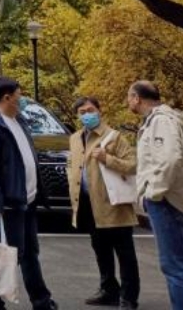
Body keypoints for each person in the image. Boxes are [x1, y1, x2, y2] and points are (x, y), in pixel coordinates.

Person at [0, 77, 57, 310]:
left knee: (30, 253)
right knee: (6, 255)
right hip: (10, 203)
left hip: (27, 200)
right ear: (7, 97)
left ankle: (41, 301)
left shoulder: (18, 120)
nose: (21, 100)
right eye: (18, 96)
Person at [127, 81, 183, 310]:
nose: (128, 102)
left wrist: (153, 192)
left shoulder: (160, 121)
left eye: (129, 97)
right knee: (181, 264)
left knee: (174, 266)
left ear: (137, 98)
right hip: (167, 199)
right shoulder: (157, 121)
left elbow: (170, 159)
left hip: (166, 201)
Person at [67, 96, 140, 308]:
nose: (87, 115)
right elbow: (72, 165)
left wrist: (107, 159)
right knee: (101, 250)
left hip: (115, 205)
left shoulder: (114, 137)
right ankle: (109, 290)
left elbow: (133, 165)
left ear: (99, 111)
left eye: (90, 110)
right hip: (89, 204)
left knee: (125, 254)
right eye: (82, 112)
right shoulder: (75, 138)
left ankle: (129, 297)